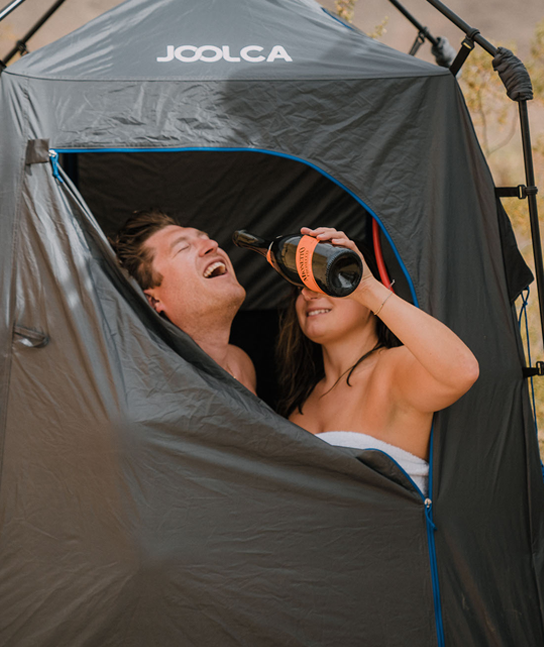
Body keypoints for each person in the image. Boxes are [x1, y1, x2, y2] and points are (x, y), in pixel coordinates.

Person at [278, 226, 479, 494]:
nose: (307, 293)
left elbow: (462, 371)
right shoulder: (300, 403)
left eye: (325, 281)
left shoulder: (396, 369)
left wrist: (368, 288)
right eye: (301, 285)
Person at [114, 209, 257, 394]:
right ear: (152, 300)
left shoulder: (241, 363)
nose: (212, 244)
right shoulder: (158, 393)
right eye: (183, 247)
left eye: (205, 237)